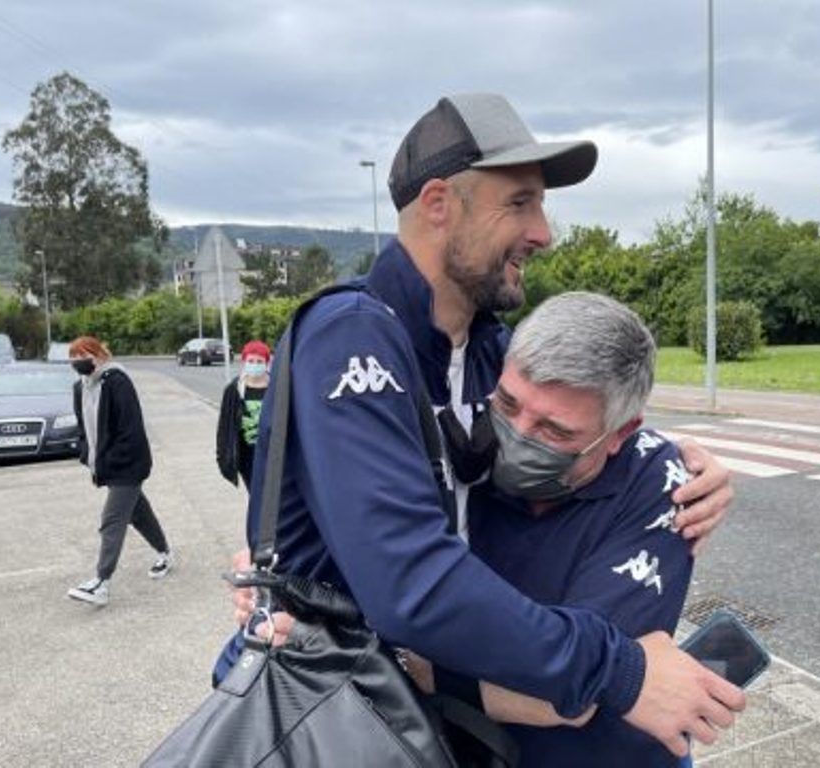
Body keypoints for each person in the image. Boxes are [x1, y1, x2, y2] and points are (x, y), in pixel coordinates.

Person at [220, 93, 741, 758]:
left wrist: (671, 460)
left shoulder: (488, 349)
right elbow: (411, 584)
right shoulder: (354, 337)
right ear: (440, 204)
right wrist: (623, 671)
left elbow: (568, 415)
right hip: (333, 719)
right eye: (520, 202)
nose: (544, 231)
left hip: (432, 726)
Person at [403, 292, 706, 766]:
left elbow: (569, 697)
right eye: (508, 402)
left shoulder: (662, 483)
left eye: (555, 432)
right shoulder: (463, 452)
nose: (519, 435)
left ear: (621, 434)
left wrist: (421, 672)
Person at [67, 336, 172, 607]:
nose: (78, 362)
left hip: (129, 464)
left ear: (100, 355)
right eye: (74, 357)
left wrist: (110, 461)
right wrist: (88, 457)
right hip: (104, 464)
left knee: (112, 520)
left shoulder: (117, 381)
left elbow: (130, 429)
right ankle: (165, 553)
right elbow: (83, 430)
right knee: (139, 513)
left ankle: (101, 582)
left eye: (84, 356)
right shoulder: (80, 388)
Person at [216, 339, 271, 491]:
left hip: (273, 453)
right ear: (244, 362)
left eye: (259, 361)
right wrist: (222, 455)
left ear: (266, 363)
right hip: (248, 455)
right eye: (251, 360)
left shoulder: (276, 388)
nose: (255, 364)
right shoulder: (234, 390)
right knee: (256, 493)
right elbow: (224, 425)